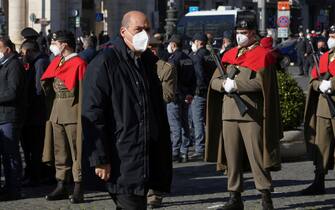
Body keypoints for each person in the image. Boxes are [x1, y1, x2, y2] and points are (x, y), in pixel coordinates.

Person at [82, 11, 172, 210]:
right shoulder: (105, 62)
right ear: (123, 32)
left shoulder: (147, 62)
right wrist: (99, 158)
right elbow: (92, 112)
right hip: (120, 156)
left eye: (147, 30)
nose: (144, 35)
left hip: (144, 156)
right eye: (138, 30)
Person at [205, 18, 282, 210]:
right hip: (229, 113)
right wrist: (224, 85)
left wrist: (237, 85)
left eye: (245, 32)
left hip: (250, 113)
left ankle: (265, 195)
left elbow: (262, 85)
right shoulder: (229, 54)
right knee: (232, 158)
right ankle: (235, 196)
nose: (240, 35)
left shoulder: (263, 55)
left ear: (254, 33)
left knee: (257, 156)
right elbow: (213, 82)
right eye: (238, 31)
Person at [41, 30, 87, 203]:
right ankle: (61, 184)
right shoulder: (58, 61)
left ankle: (78, 186)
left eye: (56, 43)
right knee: (59, 150)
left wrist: (82, 115)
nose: (54, 46)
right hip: (57, 110)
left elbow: (83, 91)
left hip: (73, 110)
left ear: (64, 44)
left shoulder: (79, 63)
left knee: (76, 151)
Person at [303, 25, 335, 195]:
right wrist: (320, 85)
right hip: (324, 107)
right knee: (322, 146)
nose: (331, 38)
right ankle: (318, 181)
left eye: (334, 35)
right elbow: (313, 78)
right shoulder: (325, 57)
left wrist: (332, 84)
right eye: (330, 34)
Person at [20, 40, 50, 187]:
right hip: (32, 115)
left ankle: (36, 176)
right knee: (31, 148)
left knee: (36, 148)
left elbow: (38, 89)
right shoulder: (36, 62)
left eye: (22, 53)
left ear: (28, 52)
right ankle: (32, 174)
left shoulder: (40, 63)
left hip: (36, 115)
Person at [0, 37, 25, 201]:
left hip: (9, 116)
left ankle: (14, 189)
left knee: (11, 154)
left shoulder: (14, 65)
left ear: (7, 49)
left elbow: (12, 92)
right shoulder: (4, 64)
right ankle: (8, 186)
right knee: (5, 154)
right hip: (2, 116)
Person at [166, 34, 196, 162]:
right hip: (186, 95)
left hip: (175, 96)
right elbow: (194, 78)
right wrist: (190, 93)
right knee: (185, 123)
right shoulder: (188, 58)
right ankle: (184, 152)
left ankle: (175, 152)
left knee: (175, 125)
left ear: (173, 45)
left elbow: (171, 79)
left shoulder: (173, 59)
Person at [189, 33, 212, 160]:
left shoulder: (197, 56)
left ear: (198, 42)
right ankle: (210, 147)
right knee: (208, 121)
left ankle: (200, 149)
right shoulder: (211, 55)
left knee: (197, 122)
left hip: (199, 93)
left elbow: (199, 75)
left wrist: (196, 88)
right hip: (211, 91)